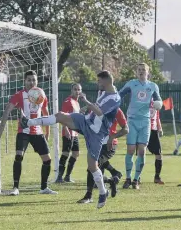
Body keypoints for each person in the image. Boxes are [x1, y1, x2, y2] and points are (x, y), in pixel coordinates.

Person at [20, 70, 120, 209]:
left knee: (92, 166)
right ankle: (28, 122)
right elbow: (95, 111)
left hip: (96, 134)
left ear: (106, 81)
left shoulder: (114, 98)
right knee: (60, 115)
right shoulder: (103, 92)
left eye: (99, 81)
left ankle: (103, 192)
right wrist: (86, 108)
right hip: (86, 121)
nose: (97, 83)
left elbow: (100, 112)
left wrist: (86, 102)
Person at [0, 70, 57, 196]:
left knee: (47, 160)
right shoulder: (19, 95)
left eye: (34, 80)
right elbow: (7, 110)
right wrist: (1, 128)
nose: (31, 82)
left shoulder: (41, 94)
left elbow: (45, 113)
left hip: (38, 131)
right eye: (29, 80)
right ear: (24, 81)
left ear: (37, 81)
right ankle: (15, 188)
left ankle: (44, 187)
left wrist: (47, 131)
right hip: (24, 131)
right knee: (19, 156)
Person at [119, 63, 162, 190]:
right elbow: (120, 95)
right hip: (132, 120)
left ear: (148, 72)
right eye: (139, 70)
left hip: (145, 121)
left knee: (142, 151)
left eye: (144, 70)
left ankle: (136, 180)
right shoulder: (131, 84)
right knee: (131, 150)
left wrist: (158, 103)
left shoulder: (153, 86)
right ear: (136, 72)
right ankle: (127, 178)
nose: (141, 72)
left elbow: (158, 99)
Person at [77, 107, 128, 204]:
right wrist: (84, 114)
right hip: (95, 143)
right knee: (96, 167)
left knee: (91, 168)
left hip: (109, 145)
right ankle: (112, 179)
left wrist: (112, 137)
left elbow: (126, 129)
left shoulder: (116, 110)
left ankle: (89, 196)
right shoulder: (96, 107)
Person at [56, 83, 82, 183]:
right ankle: (59, 177)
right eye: (75, 89)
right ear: (71, 90)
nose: (77, 91)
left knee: (76, 153)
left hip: (75, 132)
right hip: (68, 132)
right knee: (65, 153)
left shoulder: (77, 103)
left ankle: (67, 176)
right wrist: (66, 129)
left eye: (79, 89)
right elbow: (63, 116)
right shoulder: (68, 101)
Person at [138, 101, 165, 184]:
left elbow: (157, 116)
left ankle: (157, 177)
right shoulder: (142, 100)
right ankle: (137, 177)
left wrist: (160, 128)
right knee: (141, 153)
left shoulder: (156, 101)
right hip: (143, 129)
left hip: (153, 131)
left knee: (158, 154)